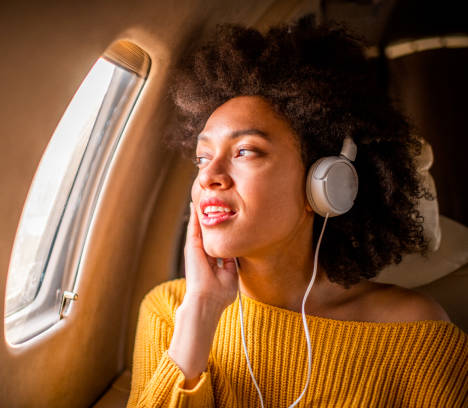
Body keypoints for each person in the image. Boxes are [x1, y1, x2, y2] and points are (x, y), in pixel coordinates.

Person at [127, 17, 467, 407]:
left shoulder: (416, 337)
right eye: (203, 157)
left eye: (245, 152)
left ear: (325, 183)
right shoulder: (169, 313)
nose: (210, 177)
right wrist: (199, 318)